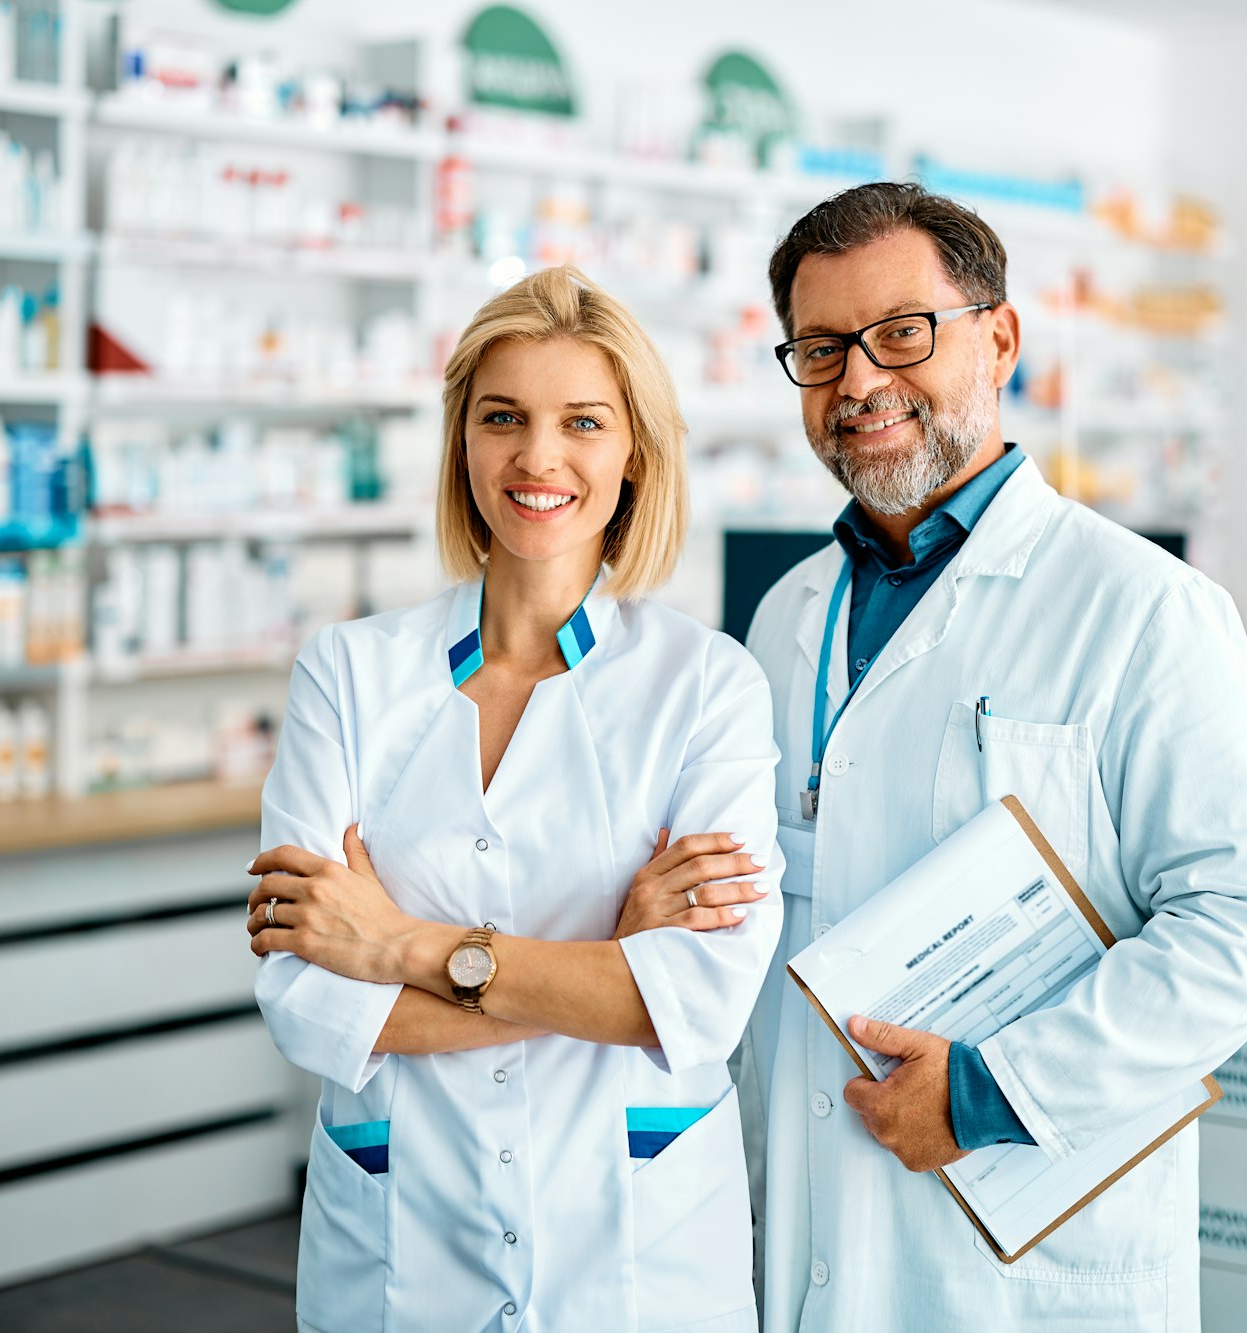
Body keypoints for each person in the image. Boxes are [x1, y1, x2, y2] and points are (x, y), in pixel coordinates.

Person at [736, 183, 1247, 1329]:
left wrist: (995, 1091)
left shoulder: (1146, 609)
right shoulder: (784, 614)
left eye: (901, 333)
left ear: (997, 340)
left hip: (1020, 1248)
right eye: (819, 348)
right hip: (806, 1211)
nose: (857, 381)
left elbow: (1241, 926)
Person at [246, 264, 782, 1333]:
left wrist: (399, 944)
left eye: (582, 421)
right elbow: (306, 1003)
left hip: (633, 1248)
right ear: (461, 443)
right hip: (403, 1240)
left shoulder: (706, 684)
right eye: (504, 418)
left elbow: (693, 1005)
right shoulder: (349, 674)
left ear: (633, 452)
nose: (538, 458)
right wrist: (597, 974)